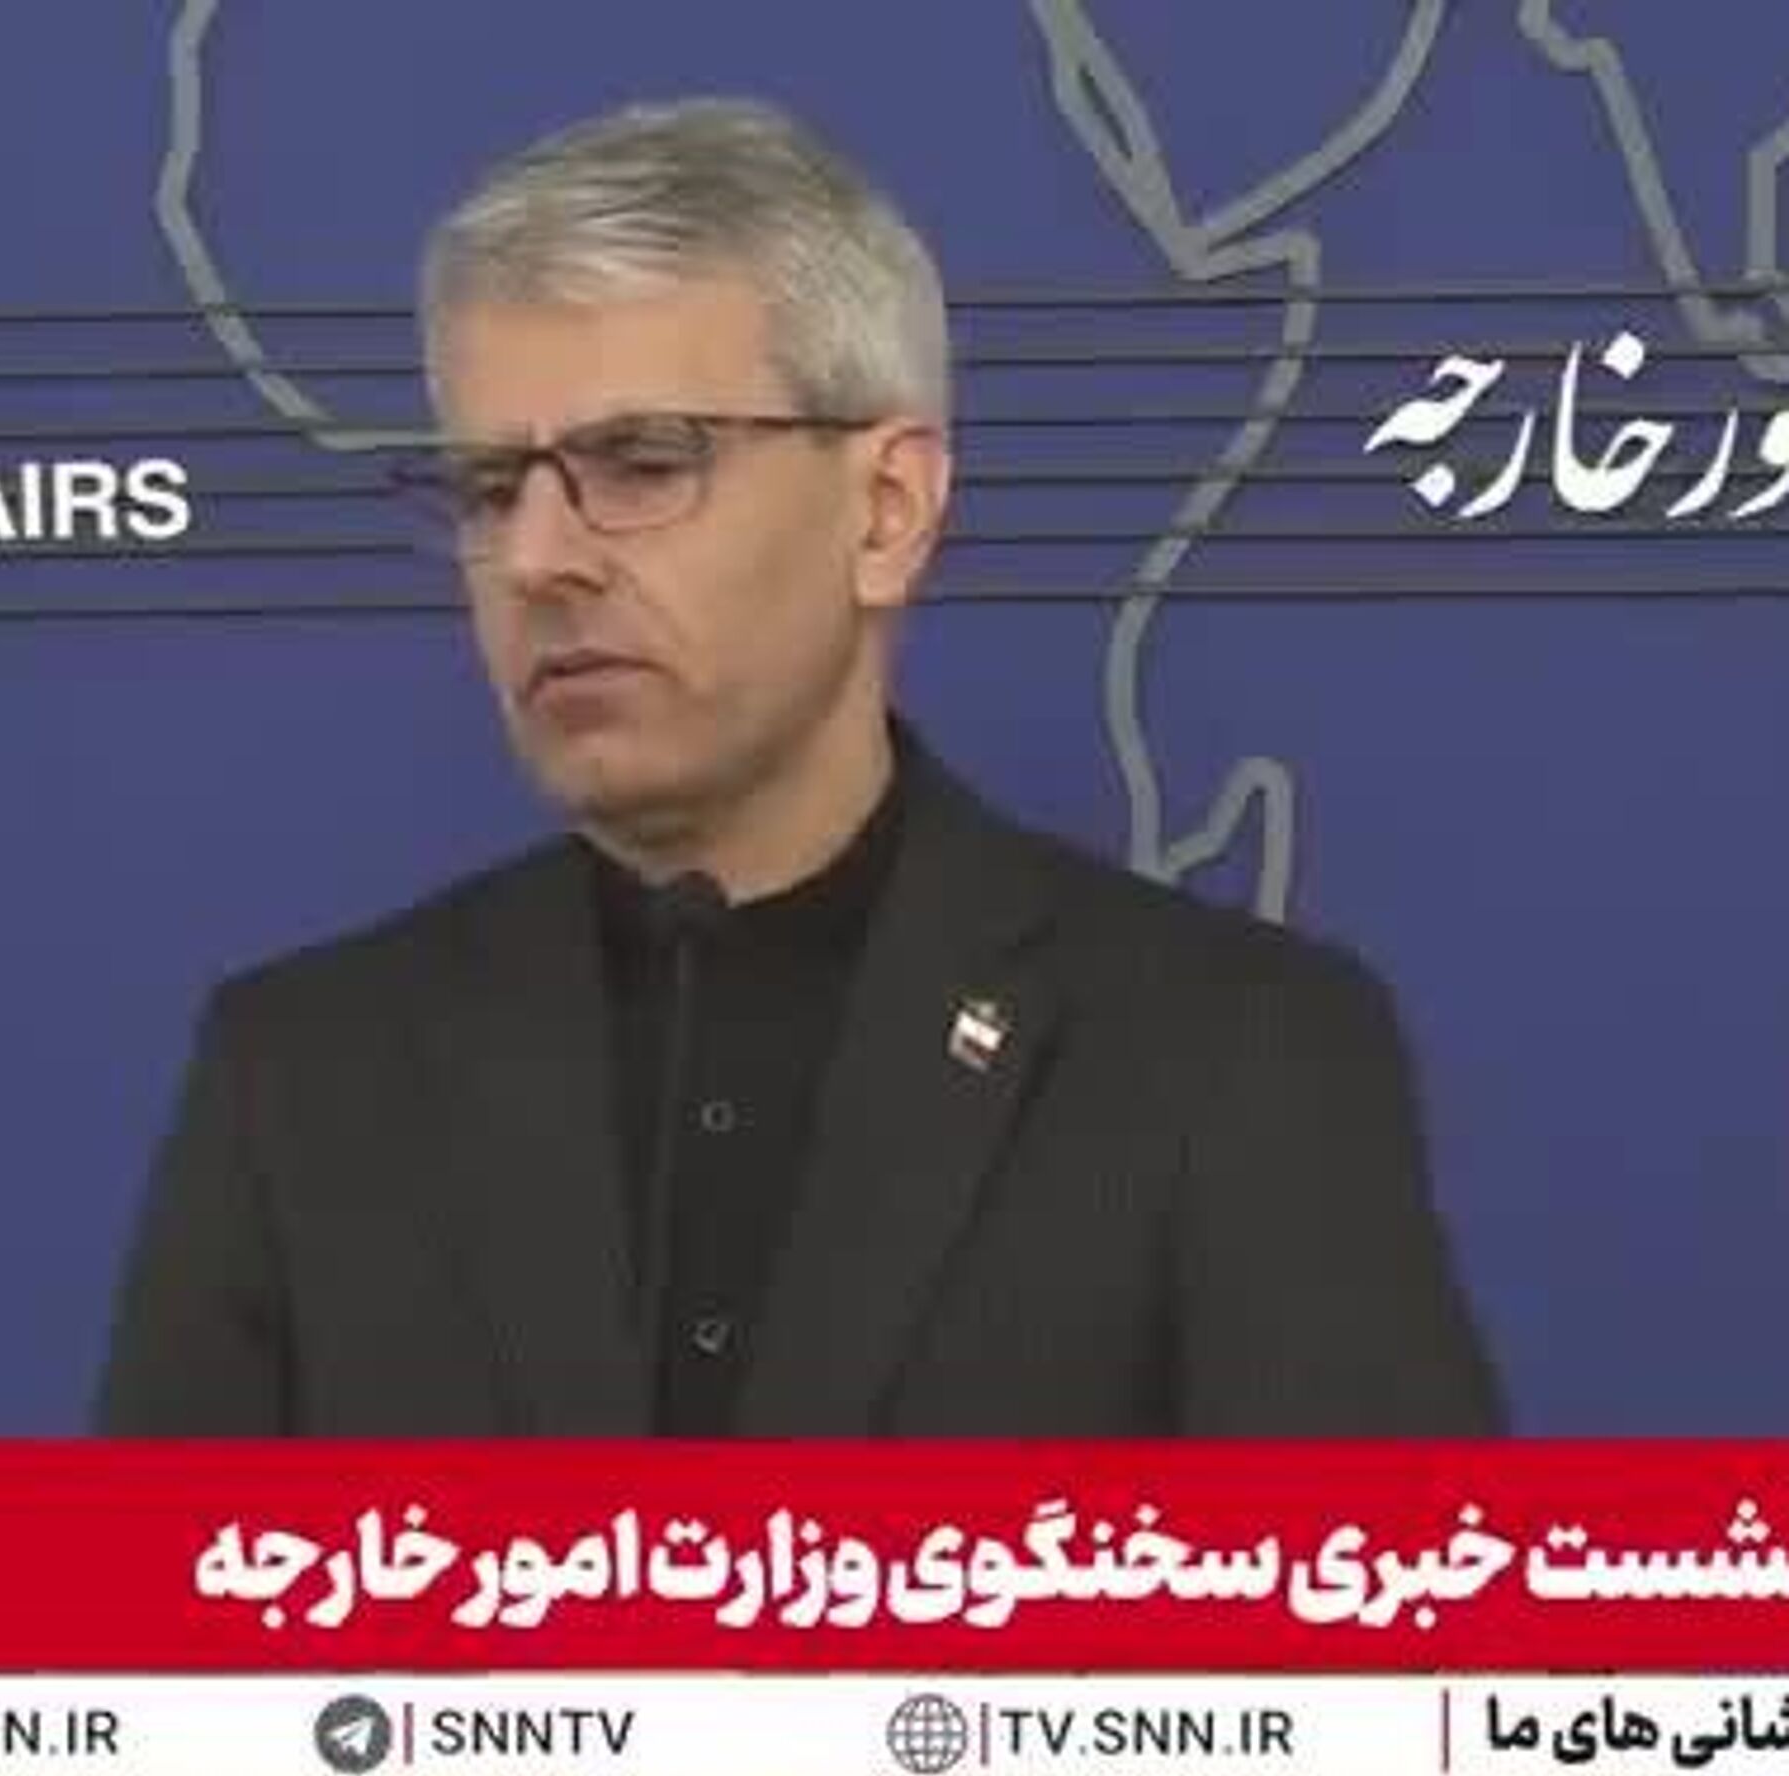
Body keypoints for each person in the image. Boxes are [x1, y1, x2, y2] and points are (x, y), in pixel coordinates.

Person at [92, 97, 1501, 1439]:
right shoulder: (302, 1085)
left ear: (886, 513)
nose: (535, 559)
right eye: (487, 489)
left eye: (643, 464)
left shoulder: (1233, 1064)